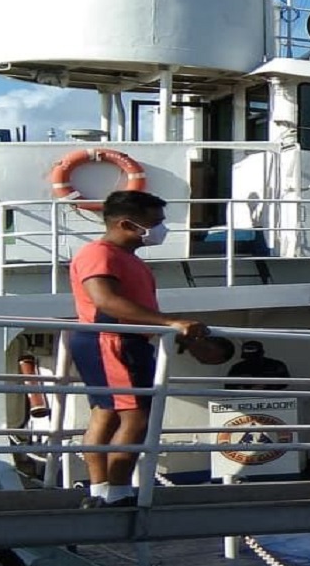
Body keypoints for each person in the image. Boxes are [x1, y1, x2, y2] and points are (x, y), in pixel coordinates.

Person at [69, 190, 205, 505]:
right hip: (113, 340)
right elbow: (106, 300)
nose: (161, 228)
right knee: (135, 417)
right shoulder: (99, 254)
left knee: (108, 414)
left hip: (116, 340)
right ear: (127, 224)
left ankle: (101, 490)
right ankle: (115, 493)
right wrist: (168, 322)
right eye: (155, 222)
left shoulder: (128, 259)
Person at [227, 340, 291, 390]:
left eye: (254, 357)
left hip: (271, 399)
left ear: (262, 354)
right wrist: (242, 387)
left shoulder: (276, 365)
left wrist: (266, 386)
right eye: (248, 357)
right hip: (244, 399)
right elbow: (228, 385)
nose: (251, 360)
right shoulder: (237, 367)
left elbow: (285, 382)